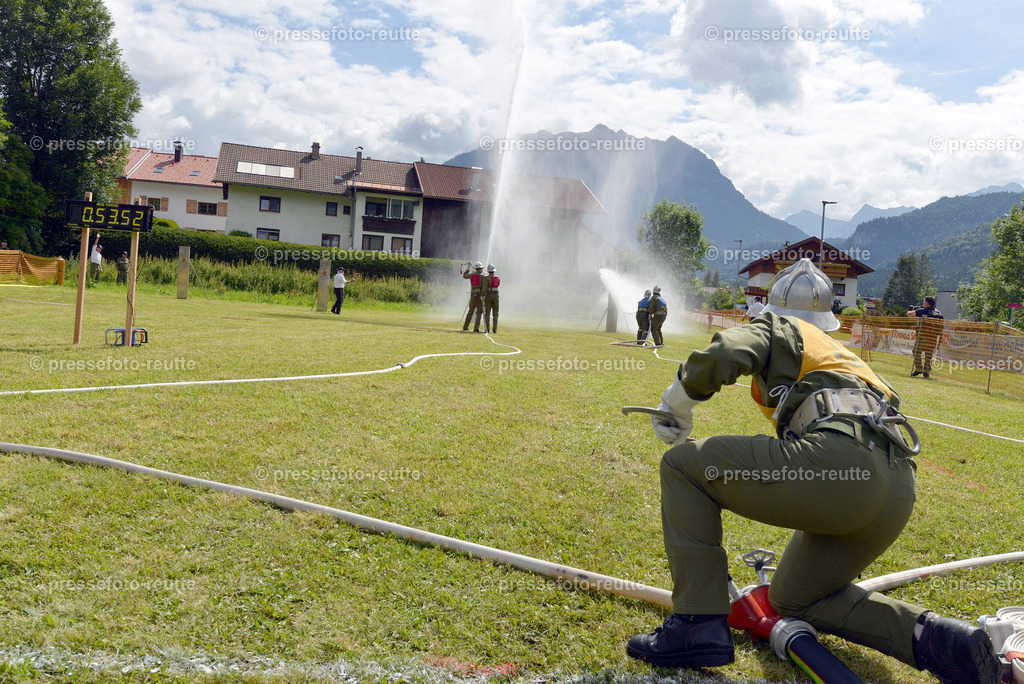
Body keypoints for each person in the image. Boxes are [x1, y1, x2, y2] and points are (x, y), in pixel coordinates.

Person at [627, 258, 997, 683]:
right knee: (794, 597)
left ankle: (696, 624)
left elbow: (727, 350)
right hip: (895, 489)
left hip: (841, 464)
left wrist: (675, 403)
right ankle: (937, 639)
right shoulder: (844, 358)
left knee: (682, 467)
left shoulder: (782, 328)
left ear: (773, 308)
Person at [907, 296, 943, 378]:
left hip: (923, 337)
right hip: (933, 337)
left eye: (924, 302)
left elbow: (908, 314)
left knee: (916, 352)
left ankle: (919, 368)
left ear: (927, 303)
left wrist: (914, 310)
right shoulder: (938, 313)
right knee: (928, 355)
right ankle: (926, 371)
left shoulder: (923, 311)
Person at [462, 261, 485, 332]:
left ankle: (465, 327)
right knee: (479, 312)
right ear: (480, 269)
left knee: (470, 311)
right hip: (479, 295)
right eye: (481, 268)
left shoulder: (471, 274)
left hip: (472, 295)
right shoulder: (483, 276)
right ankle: (476, 328)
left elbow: (464, 276)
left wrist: (468, 269)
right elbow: (484, 287)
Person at [482, 264, 500, 333]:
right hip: (496, 295)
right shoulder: (498, 277)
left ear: (488, 271)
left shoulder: (486, 278)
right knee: (495, 314)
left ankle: (487, 329)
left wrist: (482, 296)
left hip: (489, 295)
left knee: (487, 314)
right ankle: (495, 330)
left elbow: (484, 289)